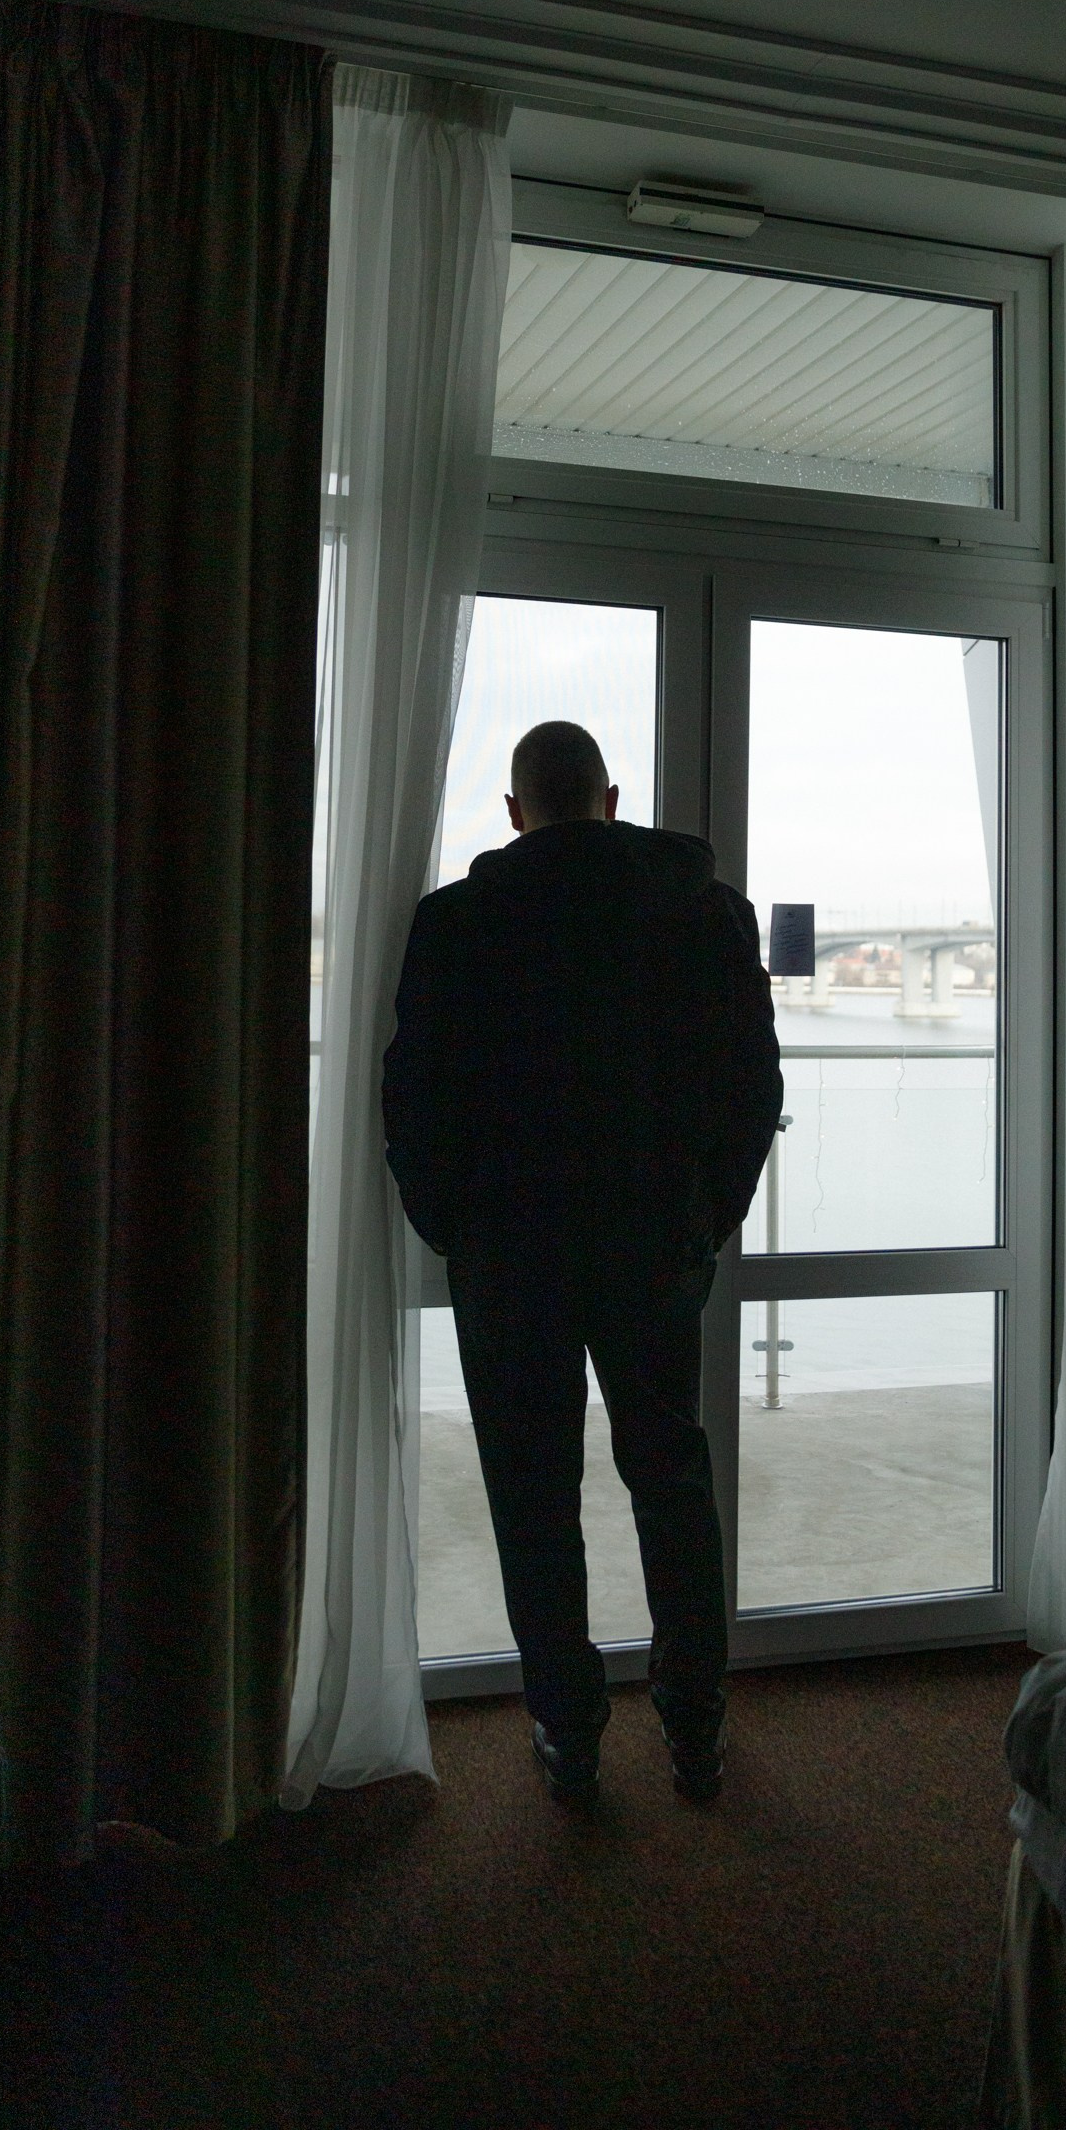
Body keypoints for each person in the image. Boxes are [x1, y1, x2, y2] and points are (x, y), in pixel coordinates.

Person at [383, 719, 783, 1807]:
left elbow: (413, 1096)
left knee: (531, 1490)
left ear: (516, 812)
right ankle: (694, 1721)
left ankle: (568, 1728)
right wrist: (707, 1214)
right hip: (654, 1242)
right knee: (671, 1476)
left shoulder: (456, 923)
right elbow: (752, 1083)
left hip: (510, 1252)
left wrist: (454, 1227)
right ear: (611, 800)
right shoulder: (706, 912)